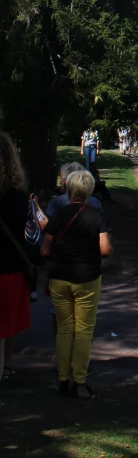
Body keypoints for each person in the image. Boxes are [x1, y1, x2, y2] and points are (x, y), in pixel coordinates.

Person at [41, 170, 113, 399]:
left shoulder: (59, 215)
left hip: (60, 276)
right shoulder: (96, 215)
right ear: (90, 190)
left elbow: (45, 249)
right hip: (88, 278)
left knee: (64, 330)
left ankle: (63, 379)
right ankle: (79, 381)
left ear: (68, 189)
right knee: (83, 331)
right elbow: (105, 250)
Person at [0, 132, 31, 382]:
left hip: (9, 263)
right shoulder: (18, 196)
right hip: (9, 264)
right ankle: (5, 364)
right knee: (7, 322)